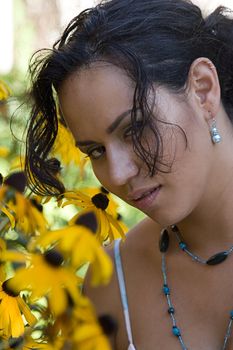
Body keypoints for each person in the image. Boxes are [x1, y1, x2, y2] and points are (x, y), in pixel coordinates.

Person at [25, 0, 233, 348]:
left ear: (202, 88)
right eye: (95, 151)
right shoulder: (111, 283)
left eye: (135, 128)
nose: (118, 174)